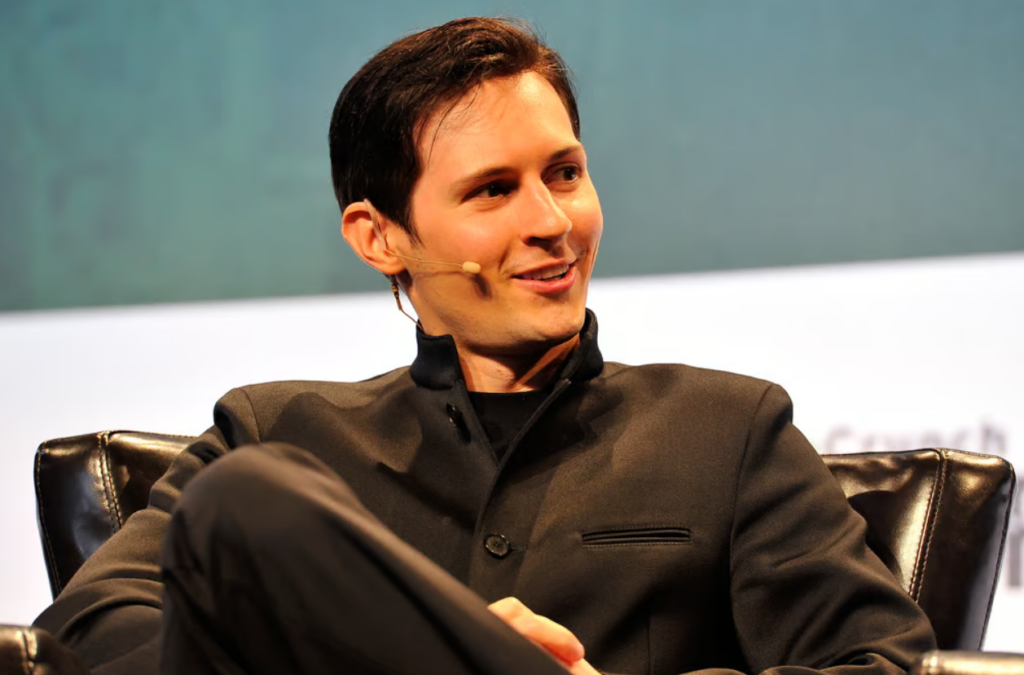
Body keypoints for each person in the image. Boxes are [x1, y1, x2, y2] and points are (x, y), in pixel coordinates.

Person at [35, 16, 936, 675]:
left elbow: (883, 664)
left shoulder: (728, 428)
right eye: (494, 190)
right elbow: (94, 627)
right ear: (379, 236)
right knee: (247, 502)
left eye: (566, 174)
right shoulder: (279, 431)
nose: (553, 223)